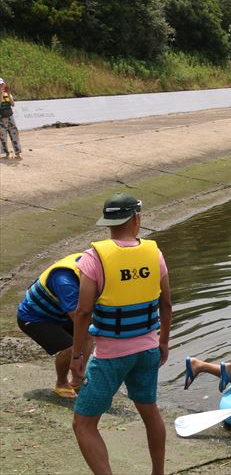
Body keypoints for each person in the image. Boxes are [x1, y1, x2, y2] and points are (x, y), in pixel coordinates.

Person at [70, 193, 173, 475]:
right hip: (148, 350)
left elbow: (82, 312)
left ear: (109, 222)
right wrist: (163, 342)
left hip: (110, 356)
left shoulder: (94, 258)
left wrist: (77, 355)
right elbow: (166, 303)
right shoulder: (155, 253)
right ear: (136, 219)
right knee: (149, 410)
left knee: (84, 422)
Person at [16, 252, 93, 398]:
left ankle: (77, 379)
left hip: (59, 314)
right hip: (35, 318)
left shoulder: (92, 265)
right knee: (70, 347)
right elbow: (78, 317)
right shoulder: (65, 280)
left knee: (89, 334)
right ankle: (61, 383)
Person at [0, 78, 22, 160]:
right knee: (3, 136)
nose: (1, 86)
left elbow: (13, 104)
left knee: (14, 134)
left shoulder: (7, 93)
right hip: (1, 118)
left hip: (10, 117)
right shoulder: (1, 93)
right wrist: (1, 94)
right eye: (0, 85)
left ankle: (17, 152)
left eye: (2, 84)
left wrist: (9, 94)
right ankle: (7, 153)